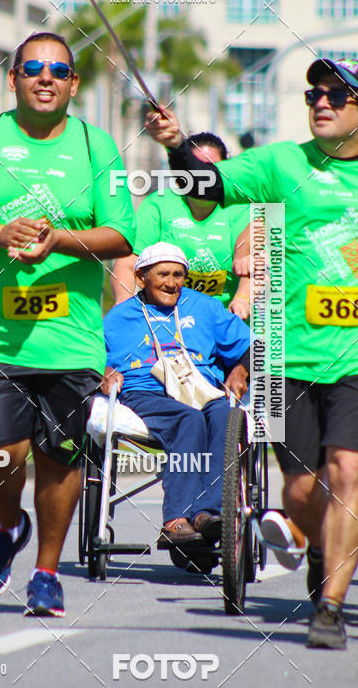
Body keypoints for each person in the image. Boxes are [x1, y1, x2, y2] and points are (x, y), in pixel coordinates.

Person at [145, 56, 358, 649]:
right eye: (315, 93)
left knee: (348, 472)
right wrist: (176, 145)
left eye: (338, 95)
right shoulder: (281, 163)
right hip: (284, 357)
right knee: (299, 490)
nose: (322, 102)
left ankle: (331, 609)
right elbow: (209, 183)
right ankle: (320, 549)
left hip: (356, 361)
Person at [0, 32, 135, 617]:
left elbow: (121, 235)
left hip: (71, 341)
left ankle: (45, 573)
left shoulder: (98, 148)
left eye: (59, 70)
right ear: (13, 78)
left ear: (73, 84)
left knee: (60, 458)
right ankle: (9, 524)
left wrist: (58, 240)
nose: (46, 77)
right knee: (2, 453)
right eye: (34, 68)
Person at [102, 242, 252, 551]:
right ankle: (176, 519)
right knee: (189, 420)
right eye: (163, 275)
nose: (171, 282)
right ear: (141, 277)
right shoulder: (119, 317)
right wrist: (104, 372)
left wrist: (240, 371)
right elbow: (93, 357)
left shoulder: (206, 307)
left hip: (202, 389)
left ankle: (209, 513)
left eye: (178, 275)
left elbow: (250, 346)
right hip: (145, 391)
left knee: (226, 415)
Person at [111, 133, 252, 318]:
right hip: (167, 323)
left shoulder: (242, 208)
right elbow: (128, 263)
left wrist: (242, 299)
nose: (202, 176)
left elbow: (254, 262)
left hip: (226, 323)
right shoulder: (158, 205)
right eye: (195, 167)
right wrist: (124, 304)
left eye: (210, 168)